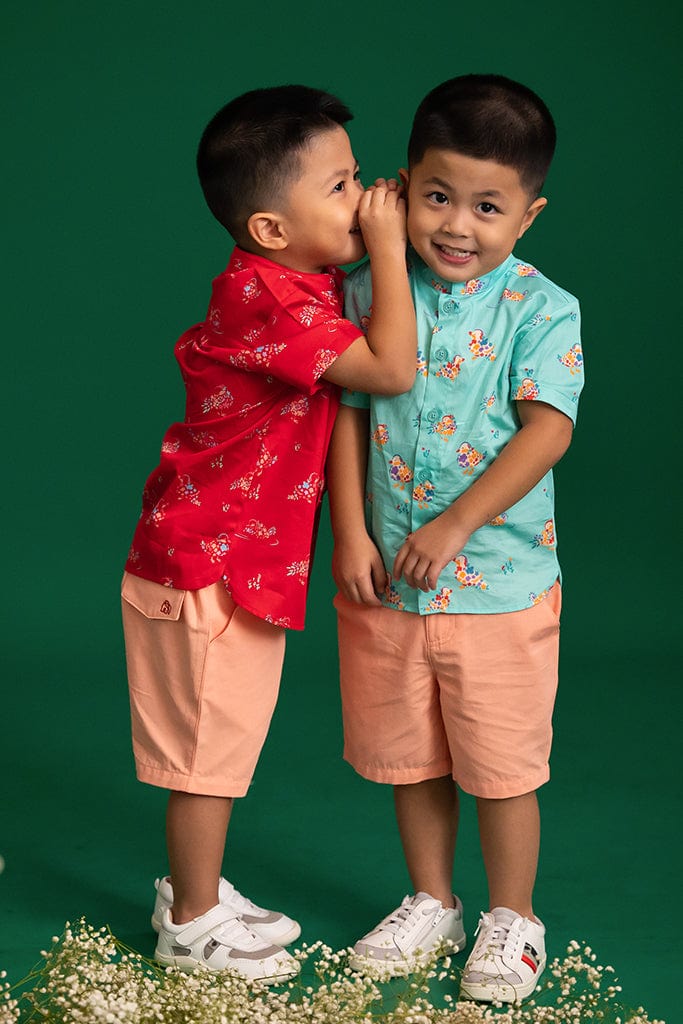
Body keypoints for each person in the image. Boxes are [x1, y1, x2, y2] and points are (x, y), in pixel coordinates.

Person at [121, 84, 416, 983]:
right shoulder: (268, 300)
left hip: (235, 561)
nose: (363, 197)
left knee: (223, 740)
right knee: (205, 758)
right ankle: (192, 927)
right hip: (205, 565)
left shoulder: (292, 282)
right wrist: (391, 248)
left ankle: (192, 888)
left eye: (356, 175)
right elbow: (391, 370)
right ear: (269, 228)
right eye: (341, 186)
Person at [327, 73, 584, 1003]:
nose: (455, 226)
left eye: (486, 207)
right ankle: (430, 899)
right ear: (402, 186)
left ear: (527, 215)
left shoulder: (541, 308)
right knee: (412, 753)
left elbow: (546, 432)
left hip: (496, 584)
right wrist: (349, 531)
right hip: (390, 582)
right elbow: (347, 413)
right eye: (436, 197)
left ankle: (513, 917)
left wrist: (453, 523)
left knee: (501, 765)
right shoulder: (369, 287)